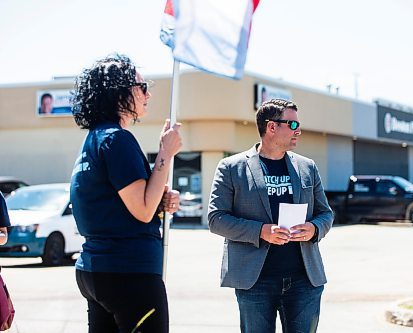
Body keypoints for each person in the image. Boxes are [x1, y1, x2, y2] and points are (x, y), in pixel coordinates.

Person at [70, 54, 182, 333]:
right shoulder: (117, 139)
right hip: (128, 273)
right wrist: (166, 153)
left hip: (97, 271)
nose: (148, 95)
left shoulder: (94, 139)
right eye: (142, 88)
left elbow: (121, 203)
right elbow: (142, 210)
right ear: (119, 92)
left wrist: (159, 199)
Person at [208, 99, 334, 332]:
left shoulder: (308, 167)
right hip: (255, 282)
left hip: (304, 280)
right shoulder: (231, 167)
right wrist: (261, 231)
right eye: (293, 124)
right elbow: (216, 219)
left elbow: (325, 214)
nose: (298, 130)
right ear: (272, 127)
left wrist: (314, 229)